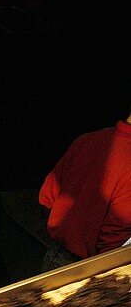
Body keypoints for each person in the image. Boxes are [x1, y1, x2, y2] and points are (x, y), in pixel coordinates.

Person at [38, 108, 131, 271]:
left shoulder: (88, 139)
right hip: (92, 270)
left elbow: (46, 198)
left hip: (55, 256)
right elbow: (113, 241)